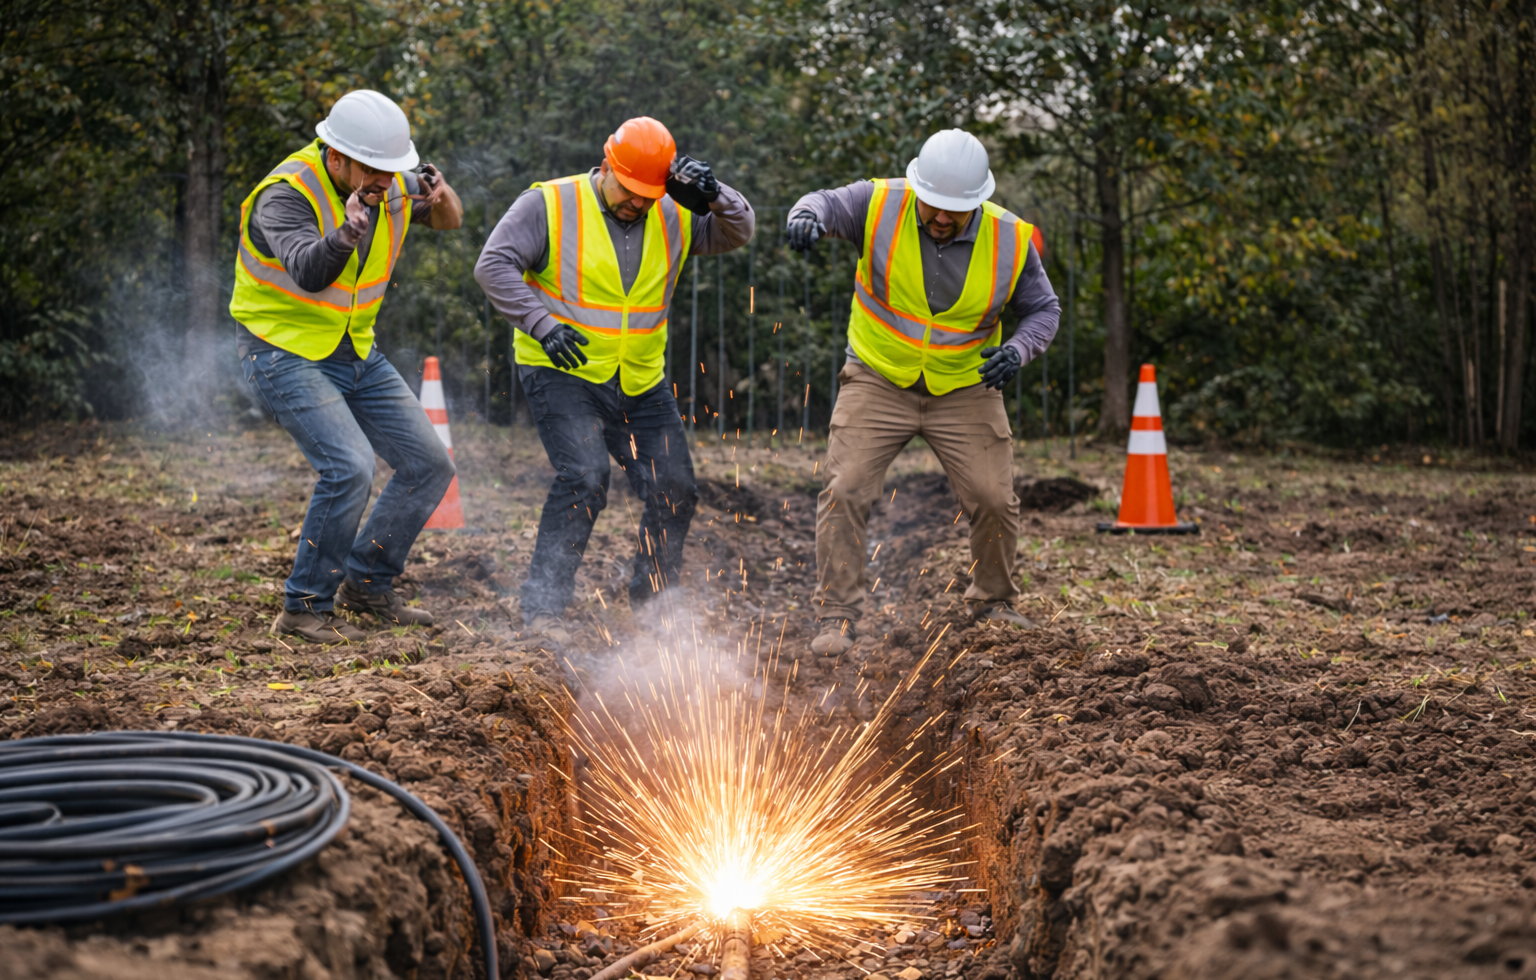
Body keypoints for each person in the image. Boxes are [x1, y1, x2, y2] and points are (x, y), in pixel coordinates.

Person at [475, 117, 754, 644]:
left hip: (640, 380)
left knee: (676, 489)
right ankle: (544, 610)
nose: (639, 204)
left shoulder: (674, 211)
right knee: (584, 476)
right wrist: (541, 323)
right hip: (561, 370)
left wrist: (717, 195)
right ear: (606, 166)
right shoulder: (549, 204)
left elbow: (738, 232)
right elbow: (493, 266)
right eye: (630, 191)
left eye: (650, 194)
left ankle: (653, 609)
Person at [787, 129, 1060, 657]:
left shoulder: (1010, 238)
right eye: (933, 204)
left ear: (978, 202)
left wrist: (1020, 350)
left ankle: (993, 604)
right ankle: (837, 615)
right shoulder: (879, 203)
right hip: (877, 375)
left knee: (993, 497)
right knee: (845, 490)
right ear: (918, 188)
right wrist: (806, 217)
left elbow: (1044, 310)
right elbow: (823, 203)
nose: (940, 216)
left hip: (965, 385)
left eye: (954, 210)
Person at [230, 89, 463, 644]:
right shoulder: (284, 195)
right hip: (281, 349)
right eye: (374, 171)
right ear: (336, 157)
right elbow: (310, 271)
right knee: (350, 466)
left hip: (353, 347)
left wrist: (440, 192)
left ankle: (367, 584)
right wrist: (346, 234)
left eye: (394, 171)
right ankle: (303, 607)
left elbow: (449, 221)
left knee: (430, 465)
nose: (387, 183)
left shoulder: (389, 180)